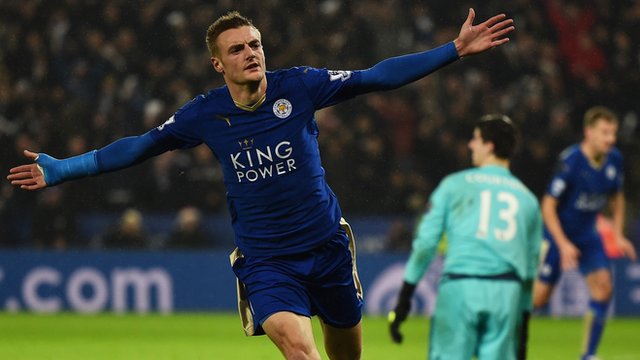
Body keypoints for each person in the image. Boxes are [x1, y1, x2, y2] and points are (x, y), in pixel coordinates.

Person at [7, 9, 514, 360]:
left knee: (347, 354)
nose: (251, 53)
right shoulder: (204, 114)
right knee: (298, 348)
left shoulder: (301, 85)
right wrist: (62, 168)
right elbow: (137, 147)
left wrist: (453, 49)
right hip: (267, 261)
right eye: (238, 49)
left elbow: (374, 77)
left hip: (328, 248)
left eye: (255, 44)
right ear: (218, 63)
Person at [388, 115, 542, 360]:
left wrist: (405, 297)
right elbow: (530, 268)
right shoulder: (528, 200)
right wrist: (522, 324)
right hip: (507, 293)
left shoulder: (454, 185)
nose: (471, 145)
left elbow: (425, 244)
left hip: (460, 288)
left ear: (489, 145)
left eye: (476, 139)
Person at [533, 106, 637, 360]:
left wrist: (618, 233)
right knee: (538, 300)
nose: (611, 139)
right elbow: (548, 206)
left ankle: (588, 355)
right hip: (558, 236)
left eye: (613, 133)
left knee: (603, 289)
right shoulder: (571, 161)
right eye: (604, 132)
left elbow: (617, 197)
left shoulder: (614, 159)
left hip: (588, 235)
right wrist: (562, 243)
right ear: (588, 132)